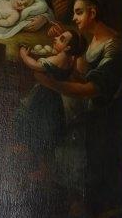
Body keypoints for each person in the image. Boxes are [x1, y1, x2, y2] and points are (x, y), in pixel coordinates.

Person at [37, 0, 122, 218]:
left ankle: (80, 210)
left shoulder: (114, 46)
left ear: (92, 13)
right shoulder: (93, 39)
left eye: (79, 12)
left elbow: (92, 89)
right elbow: (80, 75)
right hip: (81, 115)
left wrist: (51, 83)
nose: (74, 18)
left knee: (85, 176)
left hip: (101, 120)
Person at [14, 29, 87, 178]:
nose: (56, 38)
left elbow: (35, 65)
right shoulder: (70, 59)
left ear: (67, 48)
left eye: (61, 39)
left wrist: (24, 55)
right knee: (46, 131)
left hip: (44, 98)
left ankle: (42, 167)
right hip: (54, 99)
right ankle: (40, 163)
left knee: (39, 127)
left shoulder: (58, 59)